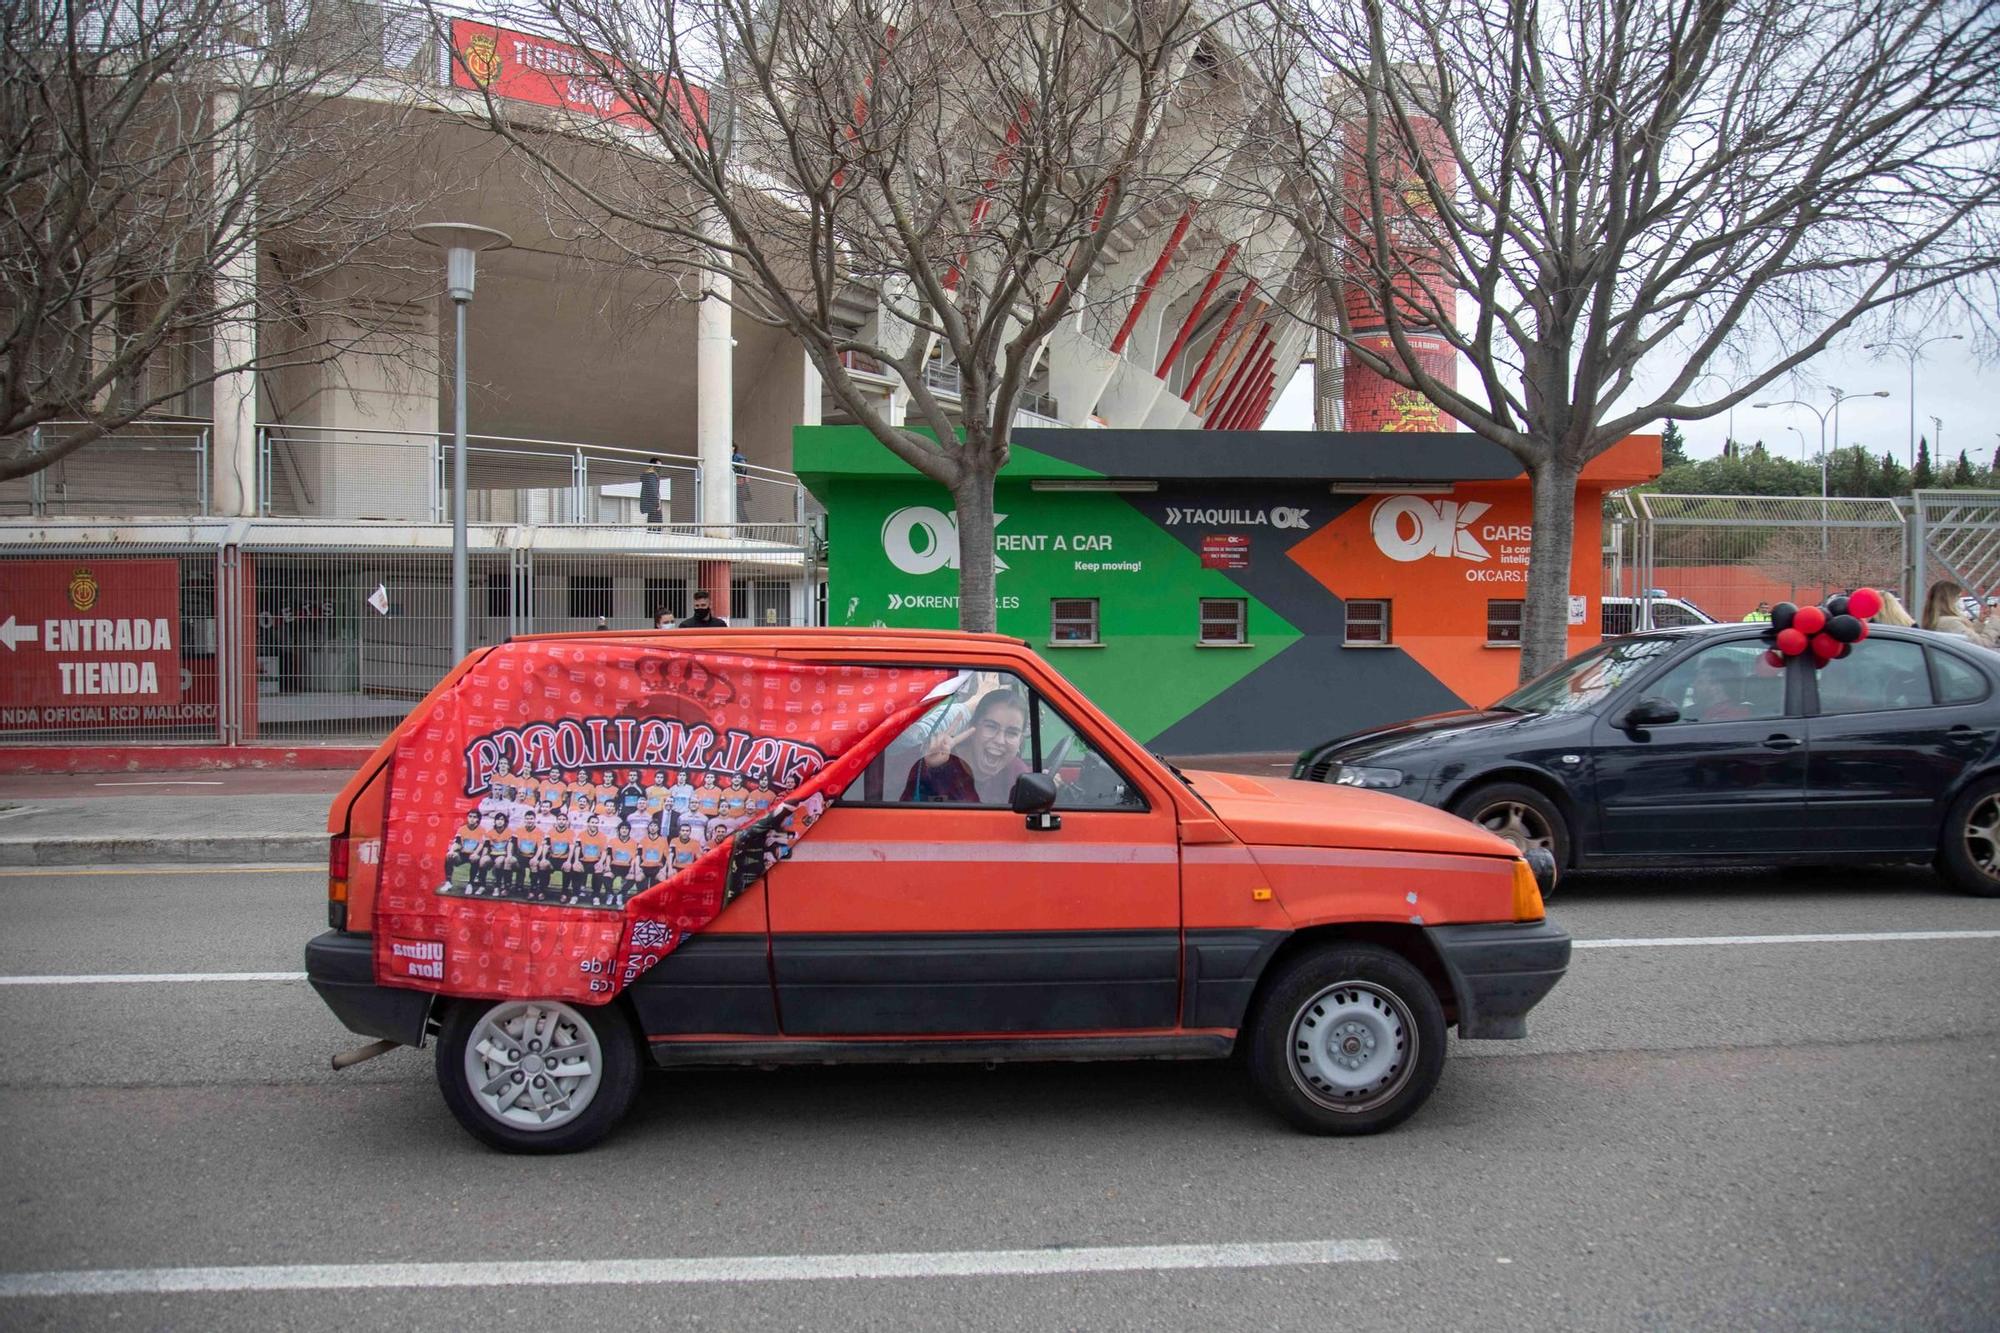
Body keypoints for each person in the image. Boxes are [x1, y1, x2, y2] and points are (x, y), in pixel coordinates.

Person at [901, 688, 1031, 805]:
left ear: (1020, 740)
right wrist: (928, 767)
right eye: (991, 727)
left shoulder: (1018, 775)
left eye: (1012, 733)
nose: (1000, 740)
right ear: (972, 727)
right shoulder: (934, 758)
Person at [1922, 580, 1999, 645]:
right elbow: (1983, 644)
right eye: (1958, 597)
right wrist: (1995, 617)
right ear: (1949, 600)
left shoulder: (1940, 621)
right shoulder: (1950, 623)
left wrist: (1980, 621)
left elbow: (1969, 637)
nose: (1961, 601)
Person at [639, 457, 663, 530]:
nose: (660, 468)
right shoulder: (651, 475)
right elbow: (653, 490)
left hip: (651, 505)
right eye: (658, 466)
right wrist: (657, 503)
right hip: (653, 505)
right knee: (656, 524)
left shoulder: (650, 475)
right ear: (652, 465)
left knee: (652, 523)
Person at [732, 445, 750, 523]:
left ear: (733, 448)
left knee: (739, 508)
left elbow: (743, 467)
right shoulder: (731, 458)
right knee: (736, 508)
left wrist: (739, 476)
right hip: (734, 484)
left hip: (738, 485)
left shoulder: (737, 457)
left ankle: (748, 530)